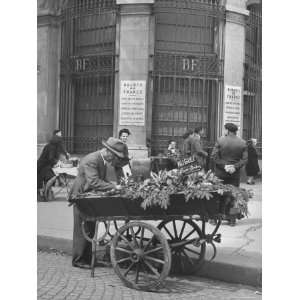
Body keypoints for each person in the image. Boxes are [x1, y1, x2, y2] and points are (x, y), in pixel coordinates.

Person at [69, 137, 127, 269]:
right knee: (81, 229)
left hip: (89, 196)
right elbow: (94, 181)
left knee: (90, 227)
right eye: (114, 155)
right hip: (81, 195)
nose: (114, 159)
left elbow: (101, 178)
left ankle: (89, 259)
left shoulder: (101, 159)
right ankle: (78, 260)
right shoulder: (92, 159)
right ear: (108, 151)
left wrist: (112, 184)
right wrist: (113, 187)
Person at [211, 123, 248, 226]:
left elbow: (214, 156)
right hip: (234, 175)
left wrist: (225, 166)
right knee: (233, 195)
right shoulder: (242, 142)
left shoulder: (220, 140)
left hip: (220, 173)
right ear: (235, 131)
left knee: (218, 194)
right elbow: (245, 160)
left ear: (227, 130)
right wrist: (234, 167)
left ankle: (215, 218)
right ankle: (232, 219)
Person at [37, 130, 69, 197]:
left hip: (45, 165)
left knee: (53, 176)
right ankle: (45, 190)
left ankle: (47, 191)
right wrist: (56, 162)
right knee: (53, 177)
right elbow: (50, 158)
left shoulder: (51, 146)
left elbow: (55, 157)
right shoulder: (51, 147)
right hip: (43, 166)